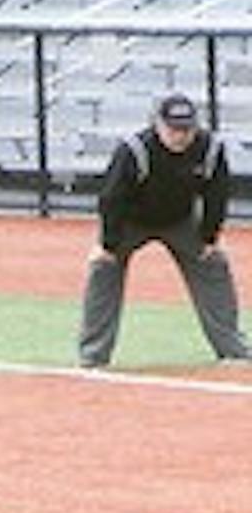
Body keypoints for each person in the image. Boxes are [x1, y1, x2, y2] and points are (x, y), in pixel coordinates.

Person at [77, 90, 251, 370]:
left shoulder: (210, 148)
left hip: (179, 219)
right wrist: (107, 244)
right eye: (173, 129)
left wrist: (209, 238)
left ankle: (233, 350)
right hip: (130, 220)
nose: (180, 136)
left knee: (213, 262)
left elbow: (217, 194)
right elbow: (112, 197)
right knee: (103, 268)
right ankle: (93, 356)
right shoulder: (134, 149)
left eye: (186, 129)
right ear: (157, 125)